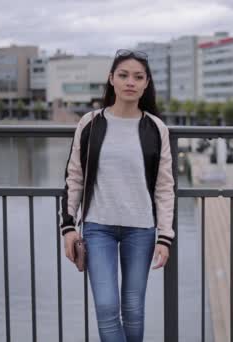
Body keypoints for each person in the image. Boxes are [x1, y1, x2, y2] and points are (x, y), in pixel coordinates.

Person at [59, 49, 175, 342]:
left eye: (138, 77)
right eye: (123, 75)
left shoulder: (155, 128)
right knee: (107, 307)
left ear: (146, 83)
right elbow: (74, 176)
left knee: (134, 309)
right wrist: (68, 226)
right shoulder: (91, 123)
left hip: (141, 229)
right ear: (111, 79)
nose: (130, 82)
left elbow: (164, 186)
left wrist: (165, 236)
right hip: (98, 228)